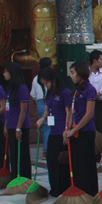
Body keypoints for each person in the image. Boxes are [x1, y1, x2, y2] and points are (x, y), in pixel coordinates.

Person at [65, 62, 99, 196]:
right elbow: (71, 112)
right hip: (74, 131)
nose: (71, 76)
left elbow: (89, 114)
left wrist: (74, 130)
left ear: (80, 73)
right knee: (77, 164)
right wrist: (67, 128)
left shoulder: (90, 90)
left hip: (85, 131)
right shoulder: (75, 90)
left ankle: (89, 193)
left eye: (73, 73)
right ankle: (78, 192)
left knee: (86, 164)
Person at [36, 67, 71, 197]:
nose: (45, 86)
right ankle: (54, 187)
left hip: (61, 131)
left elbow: (68, 112)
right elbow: (47, 109)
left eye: (46, 83)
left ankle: (62, 188)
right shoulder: (50, 94)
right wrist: (42, 119)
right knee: (51, 160)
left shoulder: (65, 92)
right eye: (43, 84)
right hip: (53, 131)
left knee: (61, 161)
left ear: (53, 80)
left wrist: (67, 130)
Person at [4, 62, 32, 179]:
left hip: (20, 126)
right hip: (11, 124)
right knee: (13, 154)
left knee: (22, 154)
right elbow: (8, 109)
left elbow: (23, 110)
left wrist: (18, 128)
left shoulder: (22, 88)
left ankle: (24, 178)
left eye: (6, 72)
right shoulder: (11, 88)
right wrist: (6, 125)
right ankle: (15, 177)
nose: (4, 74)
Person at [31, 57, 52, 156]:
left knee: (44, 127)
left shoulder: (36, 78)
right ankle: (48, 149)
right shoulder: (50, 77)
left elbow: (33, 94)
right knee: (50, 126)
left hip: (39, 102)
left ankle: (45, 150)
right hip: (48, 101)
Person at [88, 49, 102, 137]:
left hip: (100, 103)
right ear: (95, 61)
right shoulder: (87, 73)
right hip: (89, 102)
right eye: (101, 60)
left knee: (101, 125)